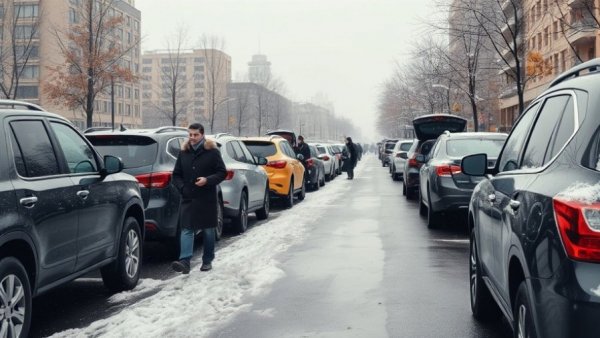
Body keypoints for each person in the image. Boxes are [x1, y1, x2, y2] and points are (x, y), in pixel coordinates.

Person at [171, 123, 227, 273]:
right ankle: (185, 262)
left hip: (206, 198)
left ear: (202, 135)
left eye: (195, 135)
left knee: (208, 230)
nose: (192, 138)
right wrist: (182, 188)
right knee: (187, 229)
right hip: (188, 197)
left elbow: (222, 173)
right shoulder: (184, 152)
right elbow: (176, 175)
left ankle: (207, 260)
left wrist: (207, 180)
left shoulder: (212, 152)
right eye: (190, 134)